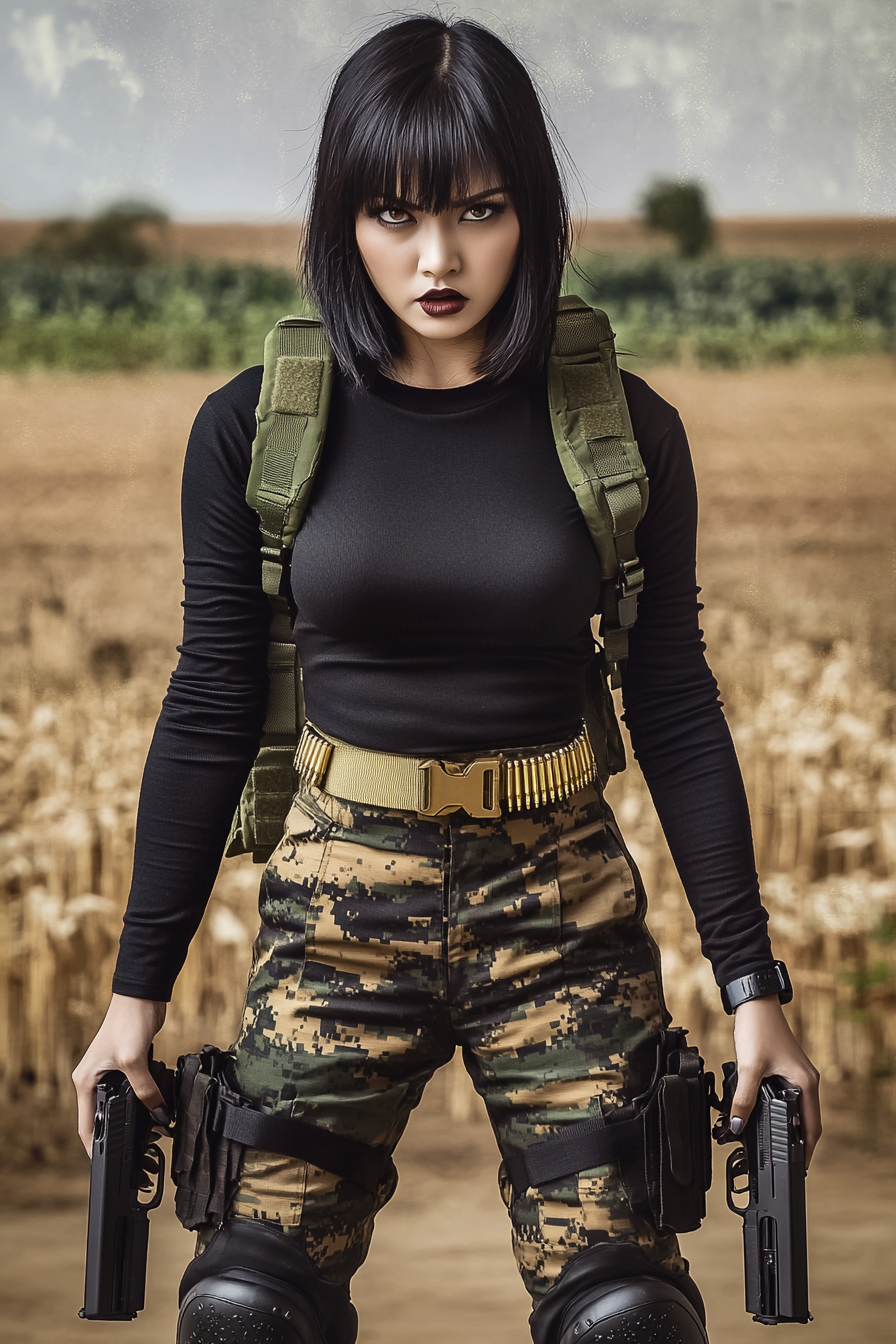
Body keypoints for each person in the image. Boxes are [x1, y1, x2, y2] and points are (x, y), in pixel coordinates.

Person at [72, 16, 821, 1344]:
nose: (437, 257)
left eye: (479, 210)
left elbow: (681, 703)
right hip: (338, 904)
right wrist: (130, 1005)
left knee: (629, 1317)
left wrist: (754, 987)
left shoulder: (622, 430)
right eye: (395, 211)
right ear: (341, 218)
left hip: (564, 905)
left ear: (530, 213)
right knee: (247, 1308)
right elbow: (208, 705)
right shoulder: (257, 429)